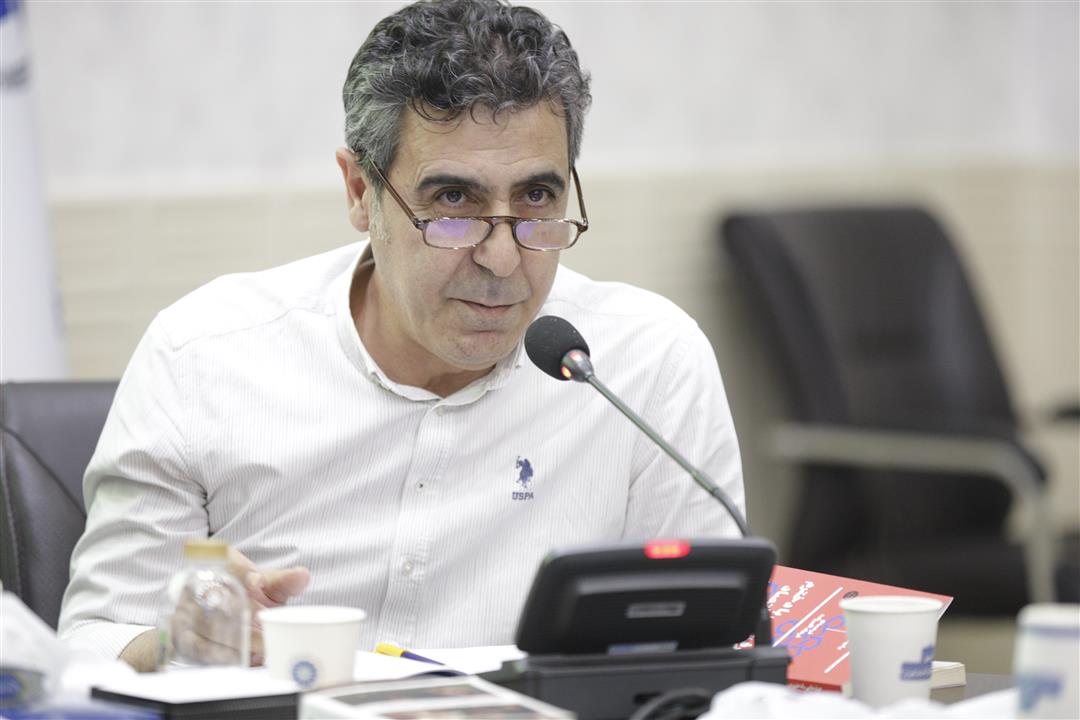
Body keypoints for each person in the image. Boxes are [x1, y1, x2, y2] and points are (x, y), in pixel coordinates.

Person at [58, 0, 745, 672]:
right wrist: (184, 640)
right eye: (453, 201)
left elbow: (707, 650)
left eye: (537, 198)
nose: (502, 258)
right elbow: (90, 643)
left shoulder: (647, 365)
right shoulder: (202, 356)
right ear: (360, 191)